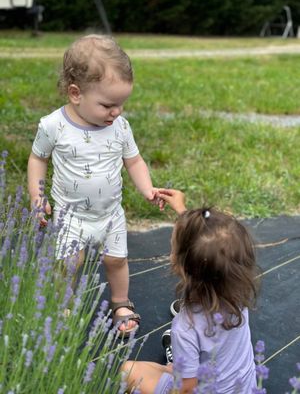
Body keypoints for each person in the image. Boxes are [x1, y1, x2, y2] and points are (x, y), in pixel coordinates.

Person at [27, 34, 159, 336]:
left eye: (122, 104)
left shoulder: (120, 127)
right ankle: (63, 304)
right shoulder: (53, 126)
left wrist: (147, 189)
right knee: (70, 263)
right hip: (70, 215)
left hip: (110, 212)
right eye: (108, 105)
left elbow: (134, 161)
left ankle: (120, 303)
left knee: (116, 259)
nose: (117, 112)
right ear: (76, 93)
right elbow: (38, 160)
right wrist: (37, 196)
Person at [122, 189, 259, 393]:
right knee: (167, 369)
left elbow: (186, 390)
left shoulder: (186, 327)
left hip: (195, 388)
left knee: (128, 370)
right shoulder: (239, 295)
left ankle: (180, 365)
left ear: (183, 267)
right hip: (242, 388)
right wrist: (182, 211)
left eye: (173, 248)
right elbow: (207, 246)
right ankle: (180, 365)